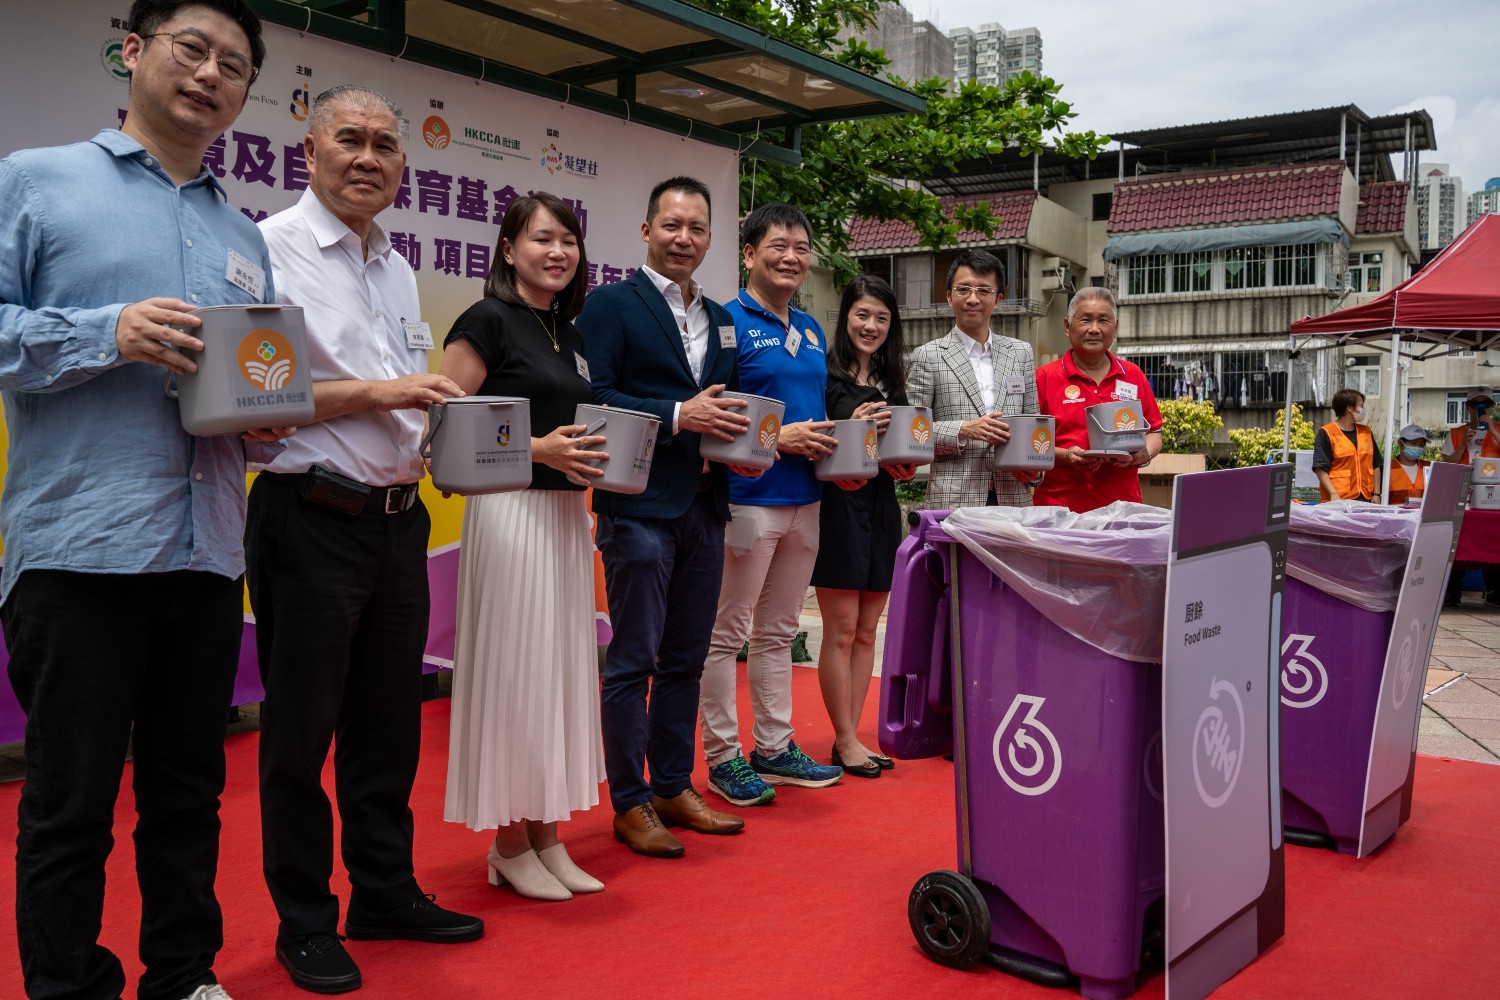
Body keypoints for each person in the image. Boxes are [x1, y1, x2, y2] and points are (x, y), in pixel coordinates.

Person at [0, 4, 276, 998]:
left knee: (189, 795)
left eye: (233, 65)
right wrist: (106, 332)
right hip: (78, 545)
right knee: (70, 803)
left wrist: (260, 419)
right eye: (190, 49)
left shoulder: (245, 235)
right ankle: (67, 984)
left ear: (246, 94)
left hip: (205, 552)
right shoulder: (37, 180)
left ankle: (183, 973)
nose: (209, 74)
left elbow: (245, 379)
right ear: (134, 52)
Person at [249, 85, 482, 993]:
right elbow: (254, 398)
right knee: (301, 735)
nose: (370, 156)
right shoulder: (265, 249)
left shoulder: (394, 262)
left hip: (397, 524)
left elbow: (400, 384)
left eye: (387, 144)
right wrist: (389, 394)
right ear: (308, 151)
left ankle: (384, 891)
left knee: (389, 730)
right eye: (350, 138)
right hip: (309, 517)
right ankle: (304, 920)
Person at [581, 176, 760, 858]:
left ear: (710, 238)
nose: (684, 237)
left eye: (697, 227)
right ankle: (628, 802)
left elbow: (729, 403)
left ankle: (672, 786)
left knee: (686, 658)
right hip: (637, 506)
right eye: (672, 225)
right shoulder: (609, 306)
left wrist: (741, 451)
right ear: (647, 231)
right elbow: (595, 398)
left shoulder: (720, 317)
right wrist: (681, 417)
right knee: (633, 660)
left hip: (705, 507)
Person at [439, 193, 607, 900]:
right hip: (509, 517)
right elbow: (443, 428)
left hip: (564, 522)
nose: (558, 252)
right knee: (515, 678)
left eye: (568, 240)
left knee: (558, 679)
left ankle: (546, 835)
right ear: (509, 249)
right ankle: (508, 844)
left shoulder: (567, 331)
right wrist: (538, 448)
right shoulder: (486, 320)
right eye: (542, 239)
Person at [699, 203, 846, 807]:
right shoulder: (726, 323)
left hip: (805, 499)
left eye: (801, 247)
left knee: (779, 632)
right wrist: (776, 439)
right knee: (725, 632)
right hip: (746, 499)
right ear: (750, 253)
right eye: (778, 246)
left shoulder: (810, 328)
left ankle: (775, 746)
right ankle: (722, 757)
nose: (791, 257)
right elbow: (707, 415)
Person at [811, 276, 918, 778]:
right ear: (845, 317)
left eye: (881, 318)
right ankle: (845, 737)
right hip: (836, 508)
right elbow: (819, 440)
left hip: (880, 505)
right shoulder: (823, 376)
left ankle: (850, 737)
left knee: (868, 630)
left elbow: (893, 450)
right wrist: (856, 423)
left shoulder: (894, 381)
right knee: (841, 628)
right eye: (862, 315)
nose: (871, 326)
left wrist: (904, 462)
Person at [907, 248, 1041, 508]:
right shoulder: (927, 356)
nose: (973, 298)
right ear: (949, 296)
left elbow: (1033, 427)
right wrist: (963, 430)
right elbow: (912, 436)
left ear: (998, 298)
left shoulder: (1021, 352)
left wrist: (1035, 471)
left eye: (983, 290)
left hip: (1013, 498)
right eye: (963, 289)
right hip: (955, 501)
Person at [1033, 286, 1163, 512]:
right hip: (1058, 512)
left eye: (1103, 321)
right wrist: (1065, 455)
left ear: (1116, 327)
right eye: (1085, 320)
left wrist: (1143, 455)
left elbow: (1154, 432)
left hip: (1124, 510)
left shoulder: (1133, 375)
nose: (1094, 329)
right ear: (1067, 326)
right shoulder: (1044, 378)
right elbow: (1028, 443)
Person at [1313, 388, 1383, 503]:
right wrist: (1333, 493)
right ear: (1350, 409)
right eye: (1361, 406)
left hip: (1366, 497)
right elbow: (1320, 467)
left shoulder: (1366, 432)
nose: (1363, 410)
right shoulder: (1327, 433)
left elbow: (1376, 464)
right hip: (1339, 499)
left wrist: (1376, 493)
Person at [1441, 385, 1500, 466]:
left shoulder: (1498, 430)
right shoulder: (1454, 434)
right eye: (1475, 404)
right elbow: (1446, 466)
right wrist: (1462, 445)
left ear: (1491, 407)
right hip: (1464, 478)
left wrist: (1494, 432)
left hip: (1493, 477)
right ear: (1467, 407)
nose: (1480, 408)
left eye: (1486, 404)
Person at [1388, 424, 1430, 506]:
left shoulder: (1429, 467)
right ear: (1400, 443)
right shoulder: (1388, 468)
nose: (1417, 447)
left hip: (1421, 517)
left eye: (1421, 444)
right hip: (1395, 516)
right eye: (1413, 443)